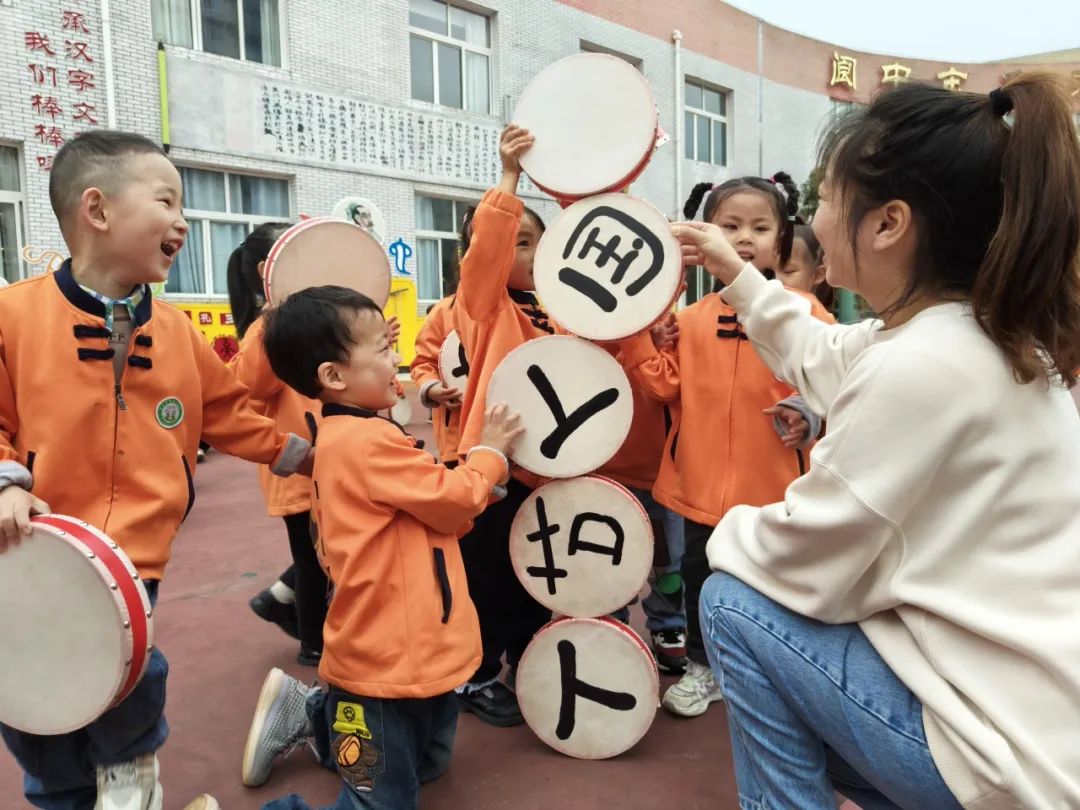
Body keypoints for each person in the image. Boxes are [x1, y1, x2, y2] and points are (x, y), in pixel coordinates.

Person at [681, 74, 1080, 808]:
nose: (815, 220)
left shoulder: (924, 364)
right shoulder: (972, 334)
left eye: (827, 198)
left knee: (732, 602)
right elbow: (822, 353)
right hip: (1038, 726)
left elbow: (803, 559)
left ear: (889, 223)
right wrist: (736, 274)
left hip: (996, 753)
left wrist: (724, 527)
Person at [0, 130, 311, 810]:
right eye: (166, 201)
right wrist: (5, 482)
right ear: (98, 209)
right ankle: (60, 791)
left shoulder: (175, 333)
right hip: (29, 551)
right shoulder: (13, 316)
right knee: (31, 681)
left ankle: (128, 770)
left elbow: (231, 414)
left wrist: (309, 456)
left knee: (126, 663)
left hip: (132, 553)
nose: (183, 221)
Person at [237, 286, 523, 810]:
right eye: (383, 349)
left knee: (427, 764)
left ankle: (311, 713)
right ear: (334, 376)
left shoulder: (357, 434)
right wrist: (491, 455)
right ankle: (326, 724)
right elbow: (454, 498)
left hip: (412, 654)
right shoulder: (366, 444)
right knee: (382, 801)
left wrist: (478, 487)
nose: (397, 359)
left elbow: (438, 511)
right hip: (380, 672)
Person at [618, 173, 831, 718]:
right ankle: (703, 667)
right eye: (730, 226)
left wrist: (809, 415)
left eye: (760, 228)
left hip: (777, 492)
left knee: (776, 587)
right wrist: (641, 336)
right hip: (699, 487)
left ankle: (779, 675)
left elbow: (834, 388)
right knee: (700, 582)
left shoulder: (804, 315)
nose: (744, 239)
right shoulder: (689, 320)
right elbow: (663, 385)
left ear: (782, 240)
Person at [448, 125, 554, 725]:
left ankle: (528, 663)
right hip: (497, 468)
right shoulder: (487, 307)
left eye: (535, 242)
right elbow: (487, 254)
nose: (527, 253)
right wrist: (510, 177)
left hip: (551, 469)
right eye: (517, 243)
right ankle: (477, 675)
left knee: (539, 573)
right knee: (488, 576)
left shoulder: (568, 313)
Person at [226, 222, 330, 666]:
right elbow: (248, 386)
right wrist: (273, 316)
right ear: (268, 271)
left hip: (327, 460)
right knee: (312, 558)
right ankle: (313, 642)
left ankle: (279, 600)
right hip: (298, 463)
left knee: (326, 552)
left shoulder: (308, 323)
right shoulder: (266, 329)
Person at [410, 295, 464, 466]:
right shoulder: (444, 311)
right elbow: (424, 362)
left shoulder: (530, 309)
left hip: (516, 437)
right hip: (457, 435)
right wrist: (431, 387)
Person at [778, 222, 835, 312]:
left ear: (818, 275)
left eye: (788, 271)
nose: (776, 280)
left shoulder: (814, 315)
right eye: (770, 272)